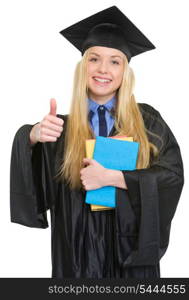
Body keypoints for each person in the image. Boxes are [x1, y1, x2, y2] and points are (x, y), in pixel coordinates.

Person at [10, 6, 184, 278]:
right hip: (77, 260)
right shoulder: (60, 128)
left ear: (125, 71)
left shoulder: (148, 121)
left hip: (129, 257)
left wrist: (114, 177)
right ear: (83, 66)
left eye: (115, 61)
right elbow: (37, 193)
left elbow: (172, 177)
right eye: (94, 59)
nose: (103, 69)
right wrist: (31, 137)